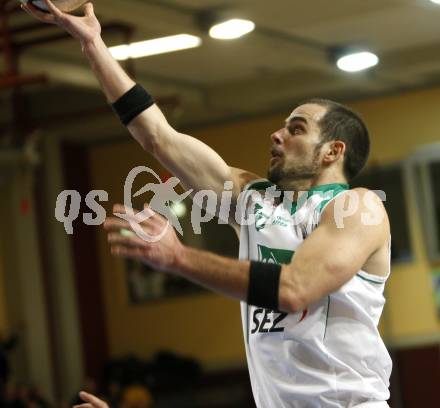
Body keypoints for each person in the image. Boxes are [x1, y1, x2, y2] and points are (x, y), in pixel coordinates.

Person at [23, 1, 392, 407]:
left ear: (332, 151)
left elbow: (295, 289)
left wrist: (178, 259)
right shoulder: (252, 201)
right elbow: (157, 136)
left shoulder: (359, 209)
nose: (276, 134)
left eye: (296, 129)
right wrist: (93, 43)